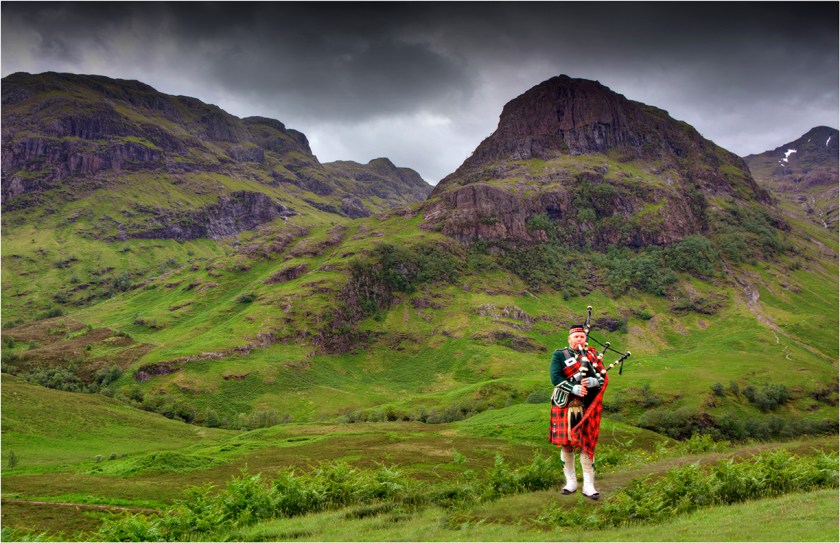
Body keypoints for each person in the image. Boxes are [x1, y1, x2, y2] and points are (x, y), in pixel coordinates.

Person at [548, 324, 608, 499]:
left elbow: (602, 376)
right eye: (576, 337)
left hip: (588, 405)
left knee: (586, 443)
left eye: (582, 337)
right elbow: (555, 377)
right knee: (566, 443)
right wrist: (573, 388)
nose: (579, 340)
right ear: (569, 339)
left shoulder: (592, 356)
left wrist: (594, 381)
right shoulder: (559, 355)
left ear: (585, 339)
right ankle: (571, 482)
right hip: (566, 404)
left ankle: (589, 485)